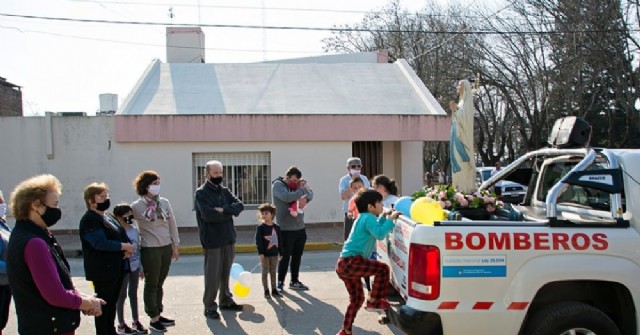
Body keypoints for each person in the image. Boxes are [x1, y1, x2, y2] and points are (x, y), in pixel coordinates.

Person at [7, 174, 105, 335]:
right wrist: (85, 303)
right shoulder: (34, 243)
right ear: (36, 205)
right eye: (54, 204)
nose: (58, 210)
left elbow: (56, 284)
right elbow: (54, 294)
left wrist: (84, 300)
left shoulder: (31, 234)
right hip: (49, 327)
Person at [335, 189, 401, 335]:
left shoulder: (363, 217)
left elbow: (376, 227)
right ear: (371, 206)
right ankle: (375, 301)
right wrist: (391, 220)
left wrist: (384, 217)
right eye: (379, 202)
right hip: (352, 261)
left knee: (357, 299)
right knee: (383, 269)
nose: (382, 204)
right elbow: (379, 233)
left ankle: (345, 330)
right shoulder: (368, 218)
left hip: (343, 264)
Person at [79, 183, 134, 335]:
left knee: (111, 304)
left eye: (106, 196)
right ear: (91, 201)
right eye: (101, 196)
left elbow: (121, 233)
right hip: (103, 270)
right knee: (103, 306)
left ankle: (111, 330)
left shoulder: (107, 216)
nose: (106, 199)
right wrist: (123, 246)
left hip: (117, 266)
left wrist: (127, 249)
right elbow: (99, 243)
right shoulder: (89, 220)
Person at [194, 161, 245, 320]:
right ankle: (209, 305)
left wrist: (224, 210)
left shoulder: (224, 190)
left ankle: (225, 300)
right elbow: (208, 215)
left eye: (220, 172)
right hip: (212, 240)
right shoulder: (201, 193)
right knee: (213, 275)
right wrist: (229, 211)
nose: (219, 176)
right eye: (215, 173)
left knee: (225, 272)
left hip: (228, 237)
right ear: (207, 174)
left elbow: (240, 205)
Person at [131, 171, 180, 332]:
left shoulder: (164, 203)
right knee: (151, 284)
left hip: (165, 246)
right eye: (154, 183)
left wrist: (175, 244)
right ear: (145, 186)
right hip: (149, 247)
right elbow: (129, 225)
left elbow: (172, 223)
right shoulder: (137, 206)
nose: (157, 186)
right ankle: (153, 317)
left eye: (158, 182)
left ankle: (158, 312)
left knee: (160, 282)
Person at [272, 166, 314, 292]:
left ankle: (294, 281)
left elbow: (311, 193)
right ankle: (280, 282)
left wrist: (305, 199)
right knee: (284, 257)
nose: (296, 183)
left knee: (297, 255)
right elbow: (287, 197)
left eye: (298, 180)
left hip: (300, 227)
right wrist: (302, 190)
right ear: (287, 177)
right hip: (285, 228)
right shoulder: (278, 185)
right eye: (294, 180)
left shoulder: (298, 186)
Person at [113, 204, 148, 335]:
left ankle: (136, 321)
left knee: (133, 294)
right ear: (118, 217)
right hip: (123, 268)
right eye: (126, 215)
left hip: (134, 266)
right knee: (121, 296)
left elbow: (138, 249)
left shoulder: (134, 230)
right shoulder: (116, 232)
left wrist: (140, 267)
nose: (129, 217)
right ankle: (121, 324)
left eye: (130, 215)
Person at [450, 80, 476, 193]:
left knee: (462, 161)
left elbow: (466, 121)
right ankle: (458, 186)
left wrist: (456, 110)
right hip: (455, 135)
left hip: (462, 138)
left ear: (465, 88)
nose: (457, 87)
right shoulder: (461, 103)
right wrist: (455, 111)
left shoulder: (467, 103)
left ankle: (465, 188)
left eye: (459, 85)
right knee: (455, 159)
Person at [254, 203, 283, 299]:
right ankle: (266, 290)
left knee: (273, 272)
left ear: (272, 214)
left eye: (266, 213)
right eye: (262, 213)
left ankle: (274, 290)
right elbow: (259, 241)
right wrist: (261, 253)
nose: (264, 215)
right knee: (265, 272)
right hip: (265, 255)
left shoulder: (277, 228)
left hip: (274, 254)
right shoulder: (261, 228)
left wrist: (281, 252)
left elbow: (280, 241)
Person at [338, 157, 371, 241]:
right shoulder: (344, 180)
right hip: (350, 212)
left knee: (363, 236)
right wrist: (352, 184)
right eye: (353, 166)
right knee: (350, 236)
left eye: (358, 166)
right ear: (348, 168)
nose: (356, 168)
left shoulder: (364, 178)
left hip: (363, 211)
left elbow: (368, 192)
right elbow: (343, 196)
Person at [0, 191, 11, 335]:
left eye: (1, 201)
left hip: (5, 282)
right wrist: (13, 267)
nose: (2, 205)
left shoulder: (2, 223)